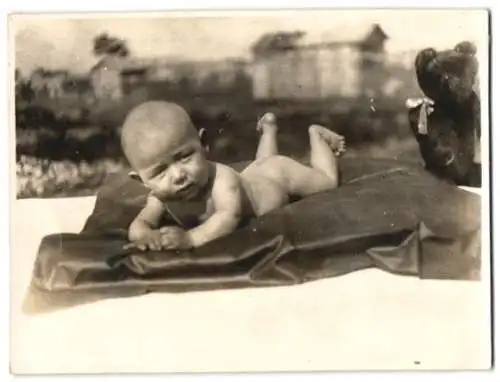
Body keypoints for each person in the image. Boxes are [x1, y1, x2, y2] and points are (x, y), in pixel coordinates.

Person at [121, 101, 346, 251]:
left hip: (278, 177)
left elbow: (228, 217)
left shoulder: (222, 180)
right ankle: (268, 130)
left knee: (326, 182)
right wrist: (145, 236)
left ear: (203, 144)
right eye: (160, 171)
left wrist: (190, 239)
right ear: (141, 181)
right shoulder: (159, 198)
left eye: (184, 157)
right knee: (259, 165)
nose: (178, 175)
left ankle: (317, 136)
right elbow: (140, 223)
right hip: (256, 174)